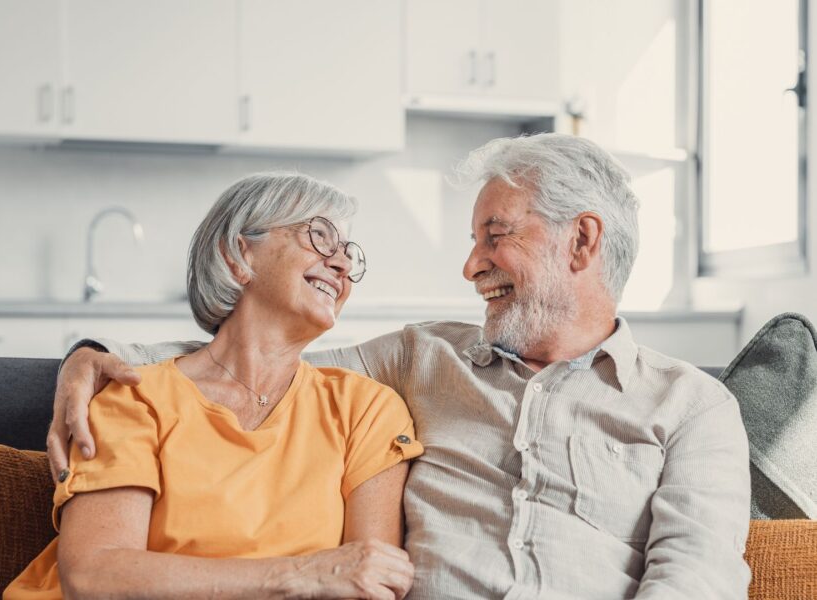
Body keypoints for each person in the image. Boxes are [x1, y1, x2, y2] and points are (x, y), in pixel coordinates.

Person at [49, 134, 752, 599]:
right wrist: (90, 352)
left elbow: (696, 578)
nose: (471, 264)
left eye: (495, 236)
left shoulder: (692, 407)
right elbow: (245, 358)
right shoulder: (419, 359)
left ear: (582, 240)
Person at [5, 172, 423, 599]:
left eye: (349, 253)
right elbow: (94, 577)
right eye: (319, 236)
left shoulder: (367, 410)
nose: (342, 264)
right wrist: (301, 575)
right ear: (237, 255)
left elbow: (372, 581)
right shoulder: (136, 397)